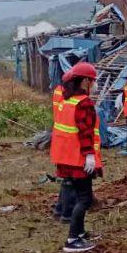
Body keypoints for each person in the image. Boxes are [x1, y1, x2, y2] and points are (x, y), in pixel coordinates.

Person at [50, 61, 103, 253]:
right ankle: (72, 239)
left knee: (79, 194)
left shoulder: (67, 100)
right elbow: (85, 132)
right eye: (93, 81)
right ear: (86, 81)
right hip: (79, 158)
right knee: (84, 198)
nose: (95, 84)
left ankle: (79, 233)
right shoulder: (84, 103)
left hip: (65, 157)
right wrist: (89, 155)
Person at [51, 68, 73, 222]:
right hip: (70, 145)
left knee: (67, 180)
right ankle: (66, 213)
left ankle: (60, 209)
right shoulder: (71, 103)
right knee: (71, 181)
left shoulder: (60, 94)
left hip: (61, 141)